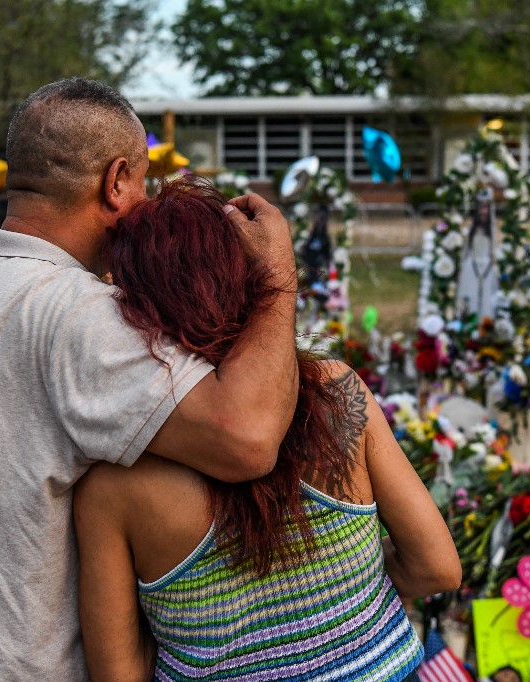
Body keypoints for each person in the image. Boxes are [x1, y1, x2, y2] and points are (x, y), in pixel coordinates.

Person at [0, 78, 299, 680]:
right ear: (115, 182)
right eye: (140, 184)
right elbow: (247, 438)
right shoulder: (70, 312)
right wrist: (278, 277)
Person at [74, 177, 461, 681]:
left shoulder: (113, 485)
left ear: (132, 308)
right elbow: (437, 567)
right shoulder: (334, 393)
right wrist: (348, 586)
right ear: (246, 277)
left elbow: (117, 675)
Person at [456, 188, 500, 320]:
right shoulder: (471, 229)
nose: (483, 211)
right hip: (472, 268)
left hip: (487, 268)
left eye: (486, 207)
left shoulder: (492, 230)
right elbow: (466, 251)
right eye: (481, 207)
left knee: (486, 300)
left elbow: (494, 251)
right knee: (470, 298)